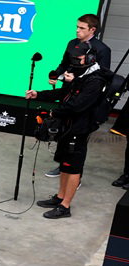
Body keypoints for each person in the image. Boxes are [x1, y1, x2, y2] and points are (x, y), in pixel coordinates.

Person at [29, 40, 106, 220]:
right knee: (64, 163)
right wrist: (39, 94)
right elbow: (64, 94)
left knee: (73, 167)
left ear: (90, 58)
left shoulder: (95, 80)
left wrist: (51, 112)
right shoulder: (80, 74)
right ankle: (60, 197)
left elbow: (77, 106)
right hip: (68, 126)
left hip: (79, 129)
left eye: (78, 59)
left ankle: (65, 206)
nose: (75, 62)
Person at [45, 14, 112, 180]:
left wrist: (79, 81)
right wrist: (56, 75)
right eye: (77, 27)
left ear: (92, 30)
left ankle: (76, 174)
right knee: (64, 130)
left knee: (77, 138)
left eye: (82, 28)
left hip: (85, 98)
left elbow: (102, 77)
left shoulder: (102, 50)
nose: (77, 30)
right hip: (68, 92)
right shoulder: (72, 43)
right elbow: (64, 64)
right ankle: (62, 165)